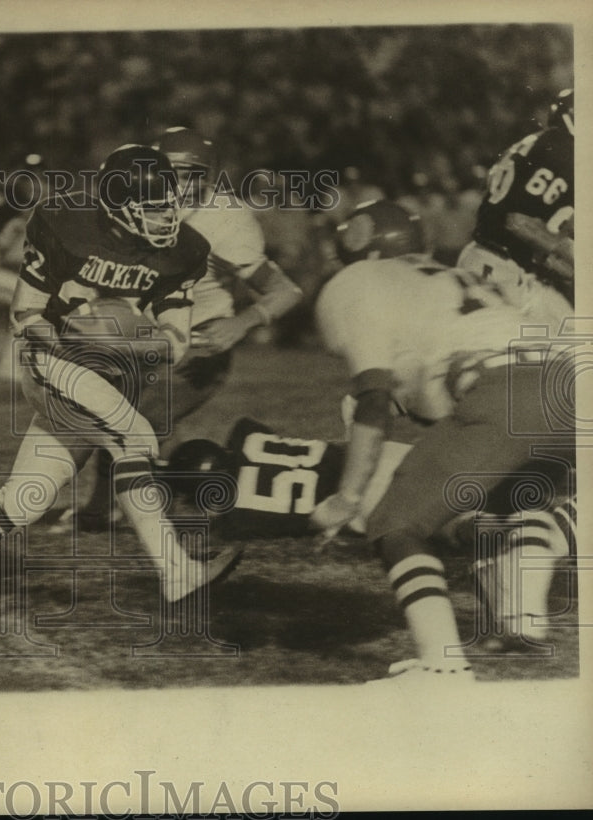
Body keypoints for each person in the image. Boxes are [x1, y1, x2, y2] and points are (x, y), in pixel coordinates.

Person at [0, 144, 242, 626]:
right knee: (134, 436)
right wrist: (83, 331)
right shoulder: (65, 225)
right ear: (117, 202)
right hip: (51, 361)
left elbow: (175, 340)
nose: (167, 212)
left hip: (108, 373)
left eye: (168, 199)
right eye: (153, 202)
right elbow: (26, 313)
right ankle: (176, 571)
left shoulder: (185, 249)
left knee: (28, 496)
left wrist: (135, 341)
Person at [310, 200, 573, 681]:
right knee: (509, 492)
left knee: (395, 522)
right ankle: (522, 620)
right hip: (571, 379)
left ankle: (442, 666)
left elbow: (373, 399)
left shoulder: (357, 282)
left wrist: (347, 497)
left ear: (357, 242)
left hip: (506, 392)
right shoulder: (449, 273)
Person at [61, 127, 303, 532]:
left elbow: (286, 290)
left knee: (136, 412)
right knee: (113, 411)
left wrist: (242, 322)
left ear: (207, 177)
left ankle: (161, 504)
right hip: (141, 333)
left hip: (201, 338)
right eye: (170, 172)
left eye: (191, 174)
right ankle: (133, 501)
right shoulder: (128, 197)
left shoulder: (225, 218)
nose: (179, 184)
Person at [457, 88, 574, 326]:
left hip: (512, 268)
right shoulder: (560, 150)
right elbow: (518, 220)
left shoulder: (543, 144)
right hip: (494, 268)